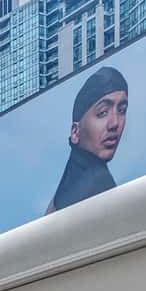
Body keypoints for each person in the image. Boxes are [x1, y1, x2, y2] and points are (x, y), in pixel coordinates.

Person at [46, 66, 128, 214]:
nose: (114, 123)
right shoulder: (99, 184)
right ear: (75, 132)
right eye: (102, 112)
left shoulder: (63, 192)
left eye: (121, 110)